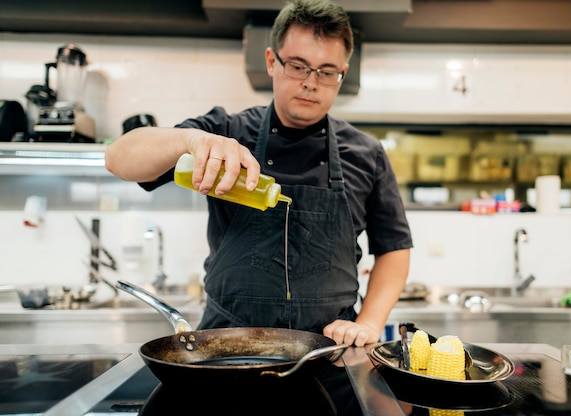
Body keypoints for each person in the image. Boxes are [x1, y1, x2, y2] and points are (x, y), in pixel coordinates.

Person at [106, 0, 411, 354]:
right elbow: (118, 158)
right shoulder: (226, 132)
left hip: (331, 354)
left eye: (327, 72)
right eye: (298, 66)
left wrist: (369, 322)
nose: (312, 83)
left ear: (342, 73)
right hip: (227, 347)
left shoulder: (366, 152)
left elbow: (394, 248)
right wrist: (191, 140)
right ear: (271, 61)